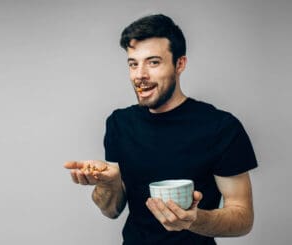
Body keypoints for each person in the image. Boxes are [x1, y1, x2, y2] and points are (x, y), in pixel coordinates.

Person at [64, 14, 258, 245]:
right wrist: (109, 183)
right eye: (133, 63)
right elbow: (111, 210)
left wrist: (193, 220)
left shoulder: (221, 127)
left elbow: (243, 217)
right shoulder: (119, 123)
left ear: (180, 64)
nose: (140, 75)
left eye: (153, 62)